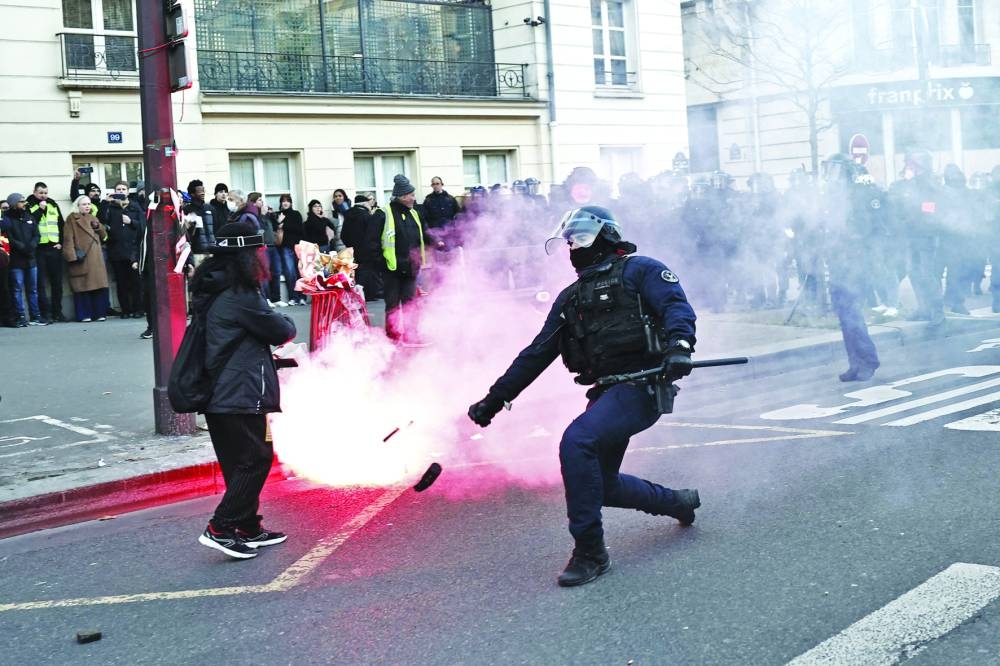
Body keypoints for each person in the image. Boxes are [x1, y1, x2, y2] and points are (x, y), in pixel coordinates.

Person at [468, 206, 700, 587]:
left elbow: (676, 307)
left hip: (642, 386)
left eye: (581, 238)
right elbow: (536, 353)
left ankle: (590, 552)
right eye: (569, 240)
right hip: (607, 391)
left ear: (606, 236)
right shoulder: (570, 297)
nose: (573, 247)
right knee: (601, 483)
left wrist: (679, 346)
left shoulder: (642, 269)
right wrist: (495, 399)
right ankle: (677, 502)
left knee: (578, 442)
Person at [191, 221, 296, 560]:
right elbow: (282, 329)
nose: (263, 256)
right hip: (239, 393)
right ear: (247, 255)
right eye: (259, 251)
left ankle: (247, 526)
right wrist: (275, 314)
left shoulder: (219, 288)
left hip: (220, 391)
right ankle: (221, 527)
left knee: (239, 462)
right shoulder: (240, 295)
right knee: (257, 458)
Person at [820, 155, 880, 382]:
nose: (832, 176)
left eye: (836, 171)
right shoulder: (832, 197)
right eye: (830, 170)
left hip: (855, 262)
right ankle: (855, 363)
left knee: (853, 314)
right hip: (838, 262)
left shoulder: (858, 195)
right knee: (844, 315)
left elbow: (865, 229)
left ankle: (868, 361)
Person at [372, 174, 441, 343]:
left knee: (411, 305)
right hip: (392, 270)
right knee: (393, 307)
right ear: (402, 197)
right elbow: (371, 243)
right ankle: (393, 337)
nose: (413, 198)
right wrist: (381, 264)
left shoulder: (414, 213)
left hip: (411, 267)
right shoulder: (383, 214)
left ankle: (412, 335)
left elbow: (422, 234)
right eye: (411, 195)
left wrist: (436, 241)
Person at [62, 195, 110, 322]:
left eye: (88, 204)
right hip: (82, 257)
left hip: (96, 258)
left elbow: (104, 237)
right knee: (83, 287)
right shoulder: (72, 219)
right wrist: (71, 256)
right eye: (84, 204)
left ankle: (100, 313)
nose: (87, 206)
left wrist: (98, 227)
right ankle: (85, 314)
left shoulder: (93, 218)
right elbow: (68, 239)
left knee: (98, 287)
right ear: (77, 206)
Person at [103, 181, 145, 318]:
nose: (121, 191)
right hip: (116, 250)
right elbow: (102, 220)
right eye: (118, 189)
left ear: (128, 192)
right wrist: (105, 202)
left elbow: (143, 226)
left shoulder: (135, 206)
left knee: (136, 282)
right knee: (121, 283)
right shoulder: (110, 207)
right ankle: (126, 310)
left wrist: (131, 222)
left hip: (133, 251)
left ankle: (138, 309)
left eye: (123, 189)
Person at [26, 182, 65, 323]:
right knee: (40, 284)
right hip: (39, 249)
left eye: (45, 193)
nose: (43, 195)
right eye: (41, 192)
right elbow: (29, 224)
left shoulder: (53, 204)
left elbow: (61, 224)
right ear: (35, 192)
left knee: (57, 282)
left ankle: (57, 312)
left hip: (54, 247)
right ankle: (45, 313)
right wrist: (40, 210)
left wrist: (61, 242)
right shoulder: (29, 205)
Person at [4, 193, 42, 327]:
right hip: (16, 260)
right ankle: (20, 316)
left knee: (33, 289)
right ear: (14, 204)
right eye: (21, 201)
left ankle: (35, 316)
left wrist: (31, 246)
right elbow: (9, 237)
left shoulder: (29, 216)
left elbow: (37, 234)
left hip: (31, 259)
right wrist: (22, 247)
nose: (24, 203)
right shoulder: (7, 219)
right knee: (17, 289)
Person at [341, 193, 383, 301]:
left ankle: (359, 293)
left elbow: (343, 235)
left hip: (352, 249)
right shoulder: (366, 216)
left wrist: (350, 246)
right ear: (365, 203)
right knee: (368, 270)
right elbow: (372, 234)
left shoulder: (348, 215)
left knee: (356, 270)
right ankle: (368, 294)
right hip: (366, 249)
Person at [271, 194, 305, 305]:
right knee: (290, 272)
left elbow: (299, 229)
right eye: (283, 201)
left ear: (291, 203)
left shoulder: (296, 214)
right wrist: (279, 222)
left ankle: (301, 297)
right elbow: (274, 229)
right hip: (285, 247)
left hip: (297, 246)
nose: (285, 203)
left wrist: (283, 225)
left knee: (300, 272)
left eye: (287, 201)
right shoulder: (278, 215)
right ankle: (293, 297)